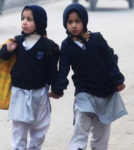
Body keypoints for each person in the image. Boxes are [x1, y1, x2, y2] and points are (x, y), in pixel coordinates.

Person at [50, 3, 127, 150]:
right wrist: (58, 89)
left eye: (77, 21)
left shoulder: (97, 39)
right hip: (84, 91)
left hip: (105, 92)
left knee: (101, 131)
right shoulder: (66, 45)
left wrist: (118, 80)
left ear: (84, 22)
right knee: (81, 121)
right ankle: (77, 147)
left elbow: (110, 59)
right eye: (69, 22)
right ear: (65, 24)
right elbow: (63, 70)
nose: (73, 25)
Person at [0, 5, 59, 150]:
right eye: (23, 18)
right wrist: (7, 49)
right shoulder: (17, 41)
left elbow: (52, 71)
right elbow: (1, 56)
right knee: (19, 128)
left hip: (40, 94)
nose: (24, 22)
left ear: (40, 22)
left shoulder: (49, 46)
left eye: (29, 19)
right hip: (19, 92)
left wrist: (57, 88)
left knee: (40, 129)